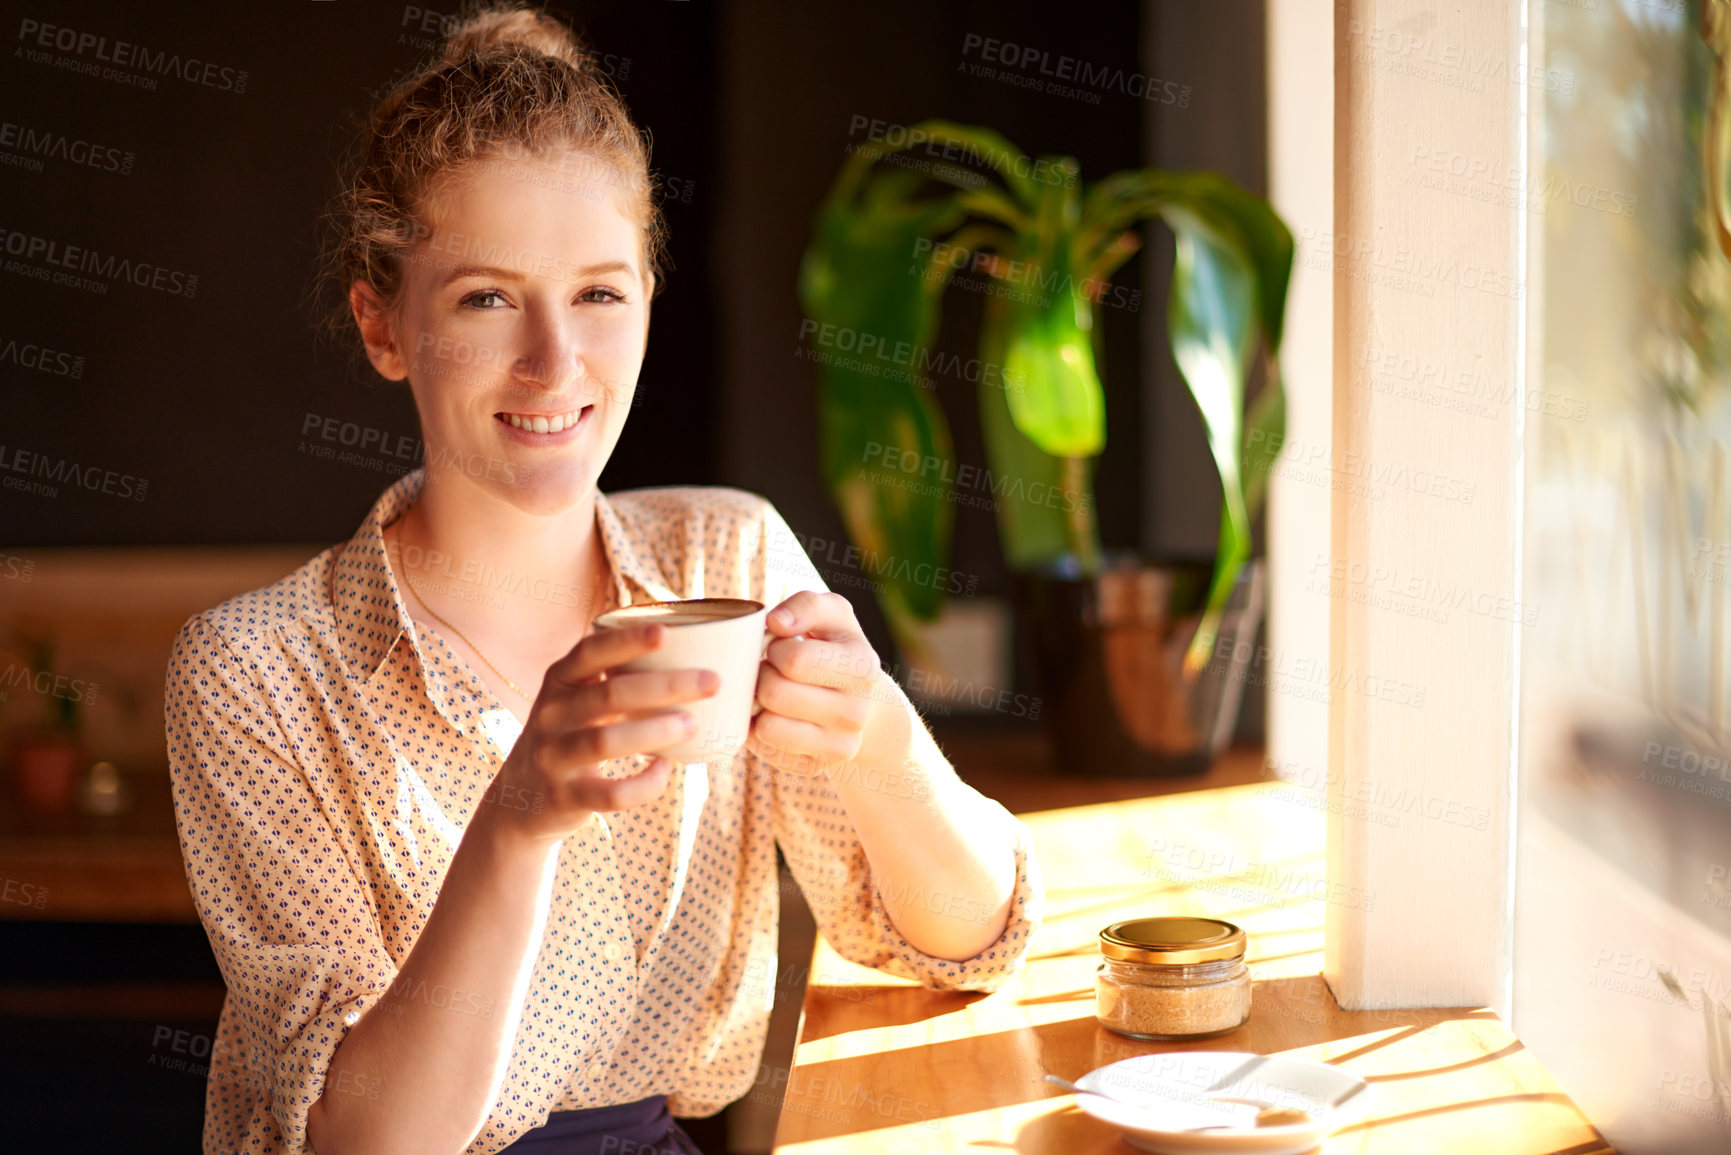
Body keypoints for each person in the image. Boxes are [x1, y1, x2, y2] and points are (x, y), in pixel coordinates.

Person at [162, 4, 1043, 1154]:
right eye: (487, 297)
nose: (556, 362)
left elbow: (967, 944)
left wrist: (876, 733)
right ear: (382, 324)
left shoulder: (725, 563)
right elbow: (359, 1143)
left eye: (599, 293)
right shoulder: (255, 672)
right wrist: (518, 819)